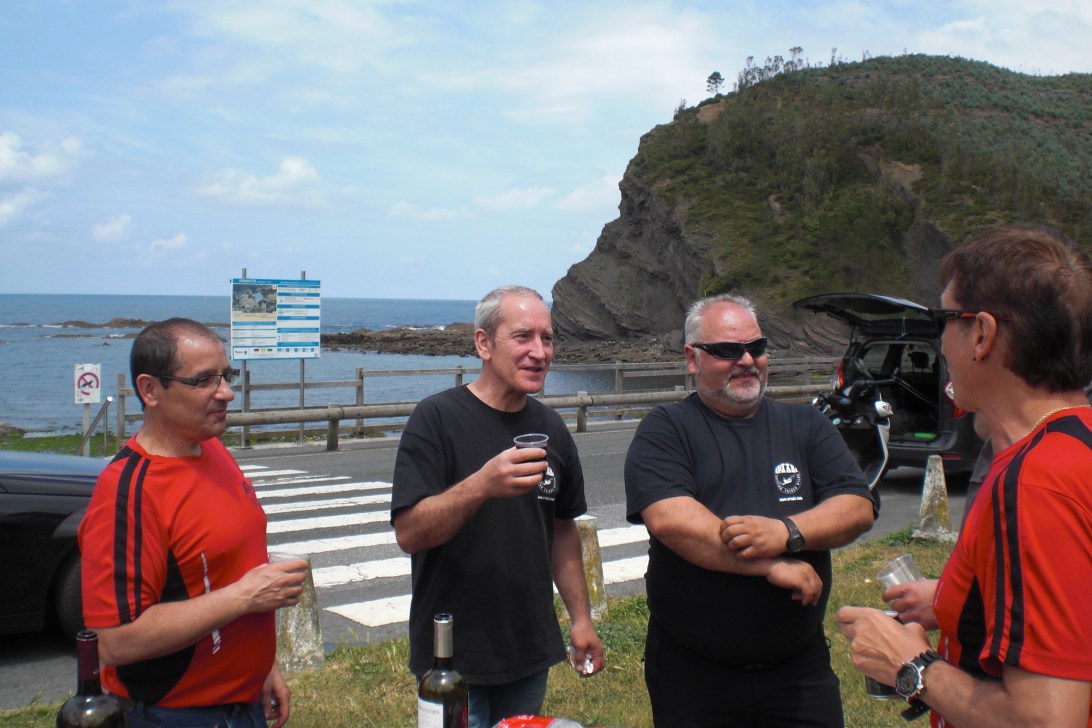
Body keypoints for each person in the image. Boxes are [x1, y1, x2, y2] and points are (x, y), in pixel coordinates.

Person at [838, 224, 1092, 727]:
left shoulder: (1034, 484)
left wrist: (910, 666)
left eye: (942, 319)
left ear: (982, 335)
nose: (940, 341)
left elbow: (1046, 721)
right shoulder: (1074, 444)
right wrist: (958, 599)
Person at [624, 293, 875, 727]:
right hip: (694, 675)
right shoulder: (666, 428)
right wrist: (769, 565)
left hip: (798, 670)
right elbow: (673, 521)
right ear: (692, 358)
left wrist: (786, 531)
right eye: (727, 350)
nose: (746, 360)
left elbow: (856, 506)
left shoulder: (806, 424)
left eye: (756, 347)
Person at [390, 285, 604, 728]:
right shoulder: (436, 419)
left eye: (547, 338)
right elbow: (410, 533)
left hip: (528, 647)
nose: (539, 352)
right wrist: (481, 485)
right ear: (483, 344)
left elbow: (563, 530)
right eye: (523, 336)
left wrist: (581, 619)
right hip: (451, 656)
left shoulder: (552, 429)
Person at [79, 318, 307, 728]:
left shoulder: (212, 449)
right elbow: (115, 641)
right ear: (150, 390)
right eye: (203, 380)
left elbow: (225, 567)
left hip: (243, 704)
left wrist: (263, 667)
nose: (226, 392)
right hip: (173, 715)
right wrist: (245, 597)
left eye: (226, 376)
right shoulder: (128, 491)